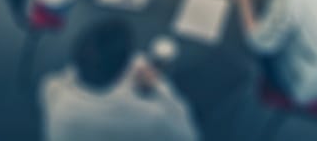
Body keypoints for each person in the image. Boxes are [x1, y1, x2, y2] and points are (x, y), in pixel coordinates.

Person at [40, 19, 199, 141]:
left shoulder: (51, 88)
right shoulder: (150, 117)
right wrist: (158, 87)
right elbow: (189, 136)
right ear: (123, 72)